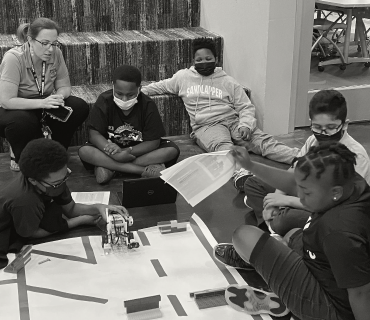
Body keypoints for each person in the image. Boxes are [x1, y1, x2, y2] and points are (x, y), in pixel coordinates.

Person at [215, 142, 370, 320]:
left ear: (335, 192)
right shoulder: (351, 181)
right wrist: (250, 165)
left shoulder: (339, 234)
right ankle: (279, 287)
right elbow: (294, 183)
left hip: (332, 306)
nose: (299, 196)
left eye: (307, 193)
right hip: (325, 268)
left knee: (244, 236)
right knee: (291, 233)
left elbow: (361, 293)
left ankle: (289, 301)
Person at [141, 37, 299, 191]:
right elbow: (159, 87)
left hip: (232, 120)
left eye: (208, 58)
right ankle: (241, 173)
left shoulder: (227, 81)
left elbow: (245, 106)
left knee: (263, 142)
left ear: (216, 59)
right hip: (206, 126)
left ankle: (302, 158)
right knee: (223, 147)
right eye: (199, 59)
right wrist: (134, 92)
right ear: (193, 61)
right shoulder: (183, 77)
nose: (203, 63)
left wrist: (246, 125)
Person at [244, 89, 370, 236]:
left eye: (330, 128)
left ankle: (277, 224)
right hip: (308, 193)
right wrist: (275, 200)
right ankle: (274, 225)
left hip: (332, 210)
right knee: (253, 184)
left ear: (345, 124)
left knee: (284, 220)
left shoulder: (356, 155)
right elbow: (294, 170)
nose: (323, 133)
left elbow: (337, 206)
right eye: (317, 127)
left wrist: (286, 201)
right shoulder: (313, 141)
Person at [0, 138, 128, 270]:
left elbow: (71, 209)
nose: (62, 184)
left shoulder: (53, 180)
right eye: (57, 183)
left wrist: (99, 207)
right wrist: (78, 221)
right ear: (33, 181)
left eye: (65, 176)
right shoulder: (24, 200)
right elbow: (31, 234)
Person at [0, 17, 89, 172]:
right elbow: (7, 101)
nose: (50, 49)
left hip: (44, 102)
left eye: (54, 43)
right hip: (16, 109)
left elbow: (65, 87)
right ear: (30, 40)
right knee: (22, 121)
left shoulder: (56, 54)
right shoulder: (13, 58)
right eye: (45, 43)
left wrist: (58, 97)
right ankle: (23, 155)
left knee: (78, 107)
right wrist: (43, 103)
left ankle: (55, 155)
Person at [78, 65, 180, 184]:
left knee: (171, 150)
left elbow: (154, 141)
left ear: (139, 89)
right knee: (85, 151)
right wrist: (112, 151)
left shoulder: (147, 105)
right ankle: (141, 170)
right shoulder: (104, 101)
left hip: (137, 150)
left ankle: (110, 168)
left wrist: (127, 151)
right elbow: (94, 134)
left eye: (130, 95)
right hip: (110, 149)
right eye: (119, 94)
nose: (124, 99)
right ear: (113, 86)